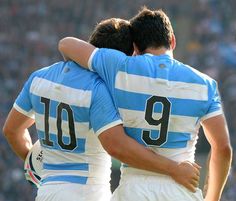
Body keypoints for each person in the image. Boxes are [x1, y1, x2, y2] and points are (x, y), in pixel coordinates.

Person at [3, 18, 201, 201]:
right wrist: (173, 169)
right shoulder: (99, 89)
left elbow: (12, 130)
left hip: (46, 192)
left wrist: (34, 162)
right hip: (88, 193)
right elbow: (116, 146)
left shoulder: (39, 77)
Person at [58, 8, 233, 201]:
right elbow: (223, 148)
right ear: (173, 40)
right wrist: (212, 197)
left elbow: (67, 44)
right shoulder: (204, 84)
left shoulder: (120, 67)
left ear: (135, 47)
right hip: (182, 190)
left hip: (133, 190)